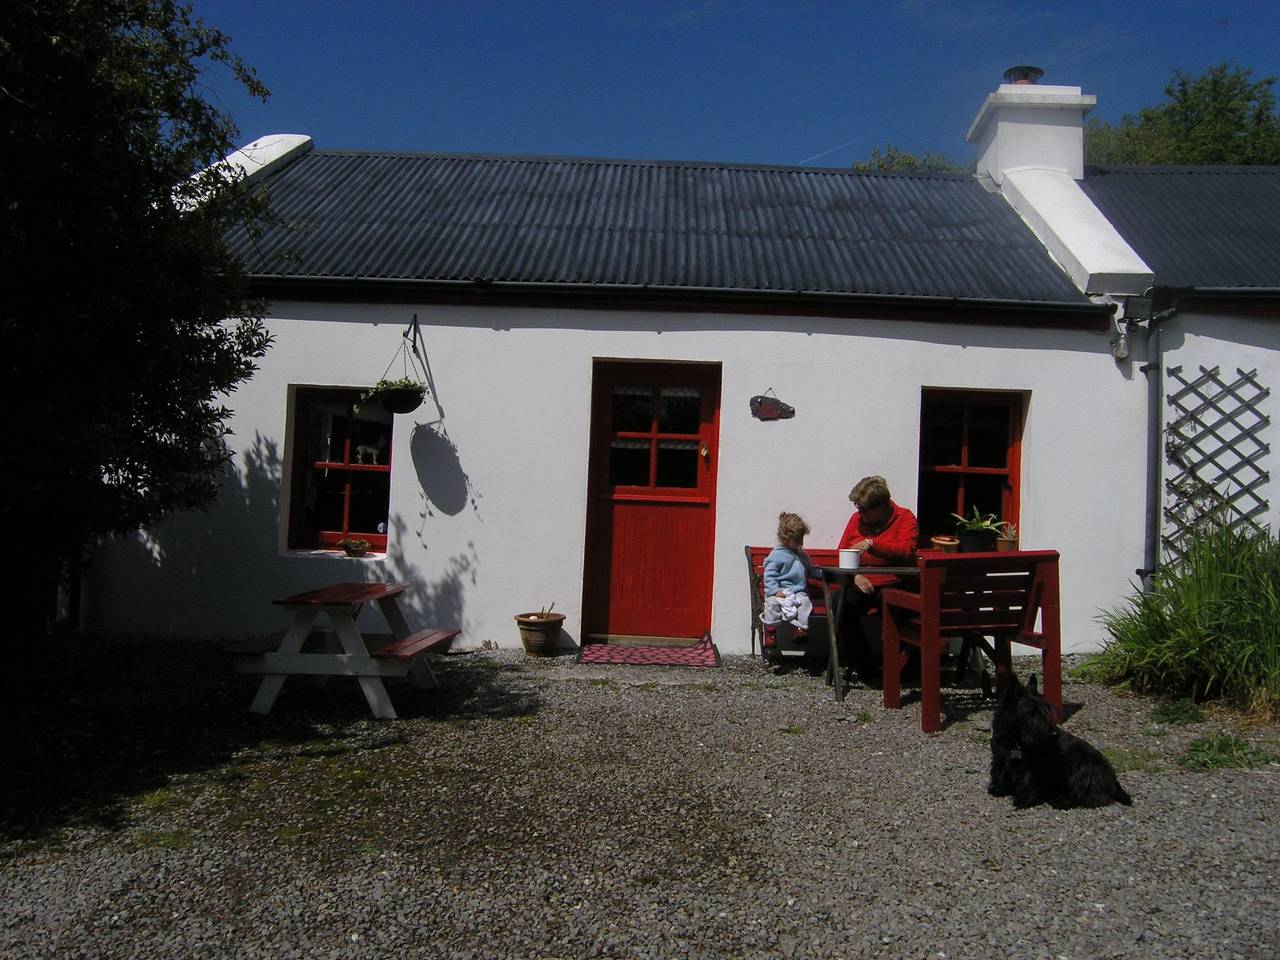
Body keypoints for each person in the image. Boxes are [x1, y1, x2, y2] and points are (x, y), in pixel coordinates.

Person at [836, 475, 919, 681]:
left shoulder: (905, 518)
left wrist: (873, 544)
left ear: (882, 505)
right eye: (859, 509)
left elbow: (907, 551)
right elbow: (842, 551)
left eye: (865, 510)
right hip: (863, 582)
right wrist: (855, 576)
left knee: (891, 604)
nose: (860, 515)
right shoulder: (856, 520)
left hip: (894, 582)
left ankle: (899, 668)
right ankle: (866, 669)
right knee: (841, 603)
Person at [760, 512, 818, 638]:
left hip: (797, 592)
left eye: (801, 538)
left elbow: (810, 568)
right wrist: (774, 591)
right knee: (772, 604)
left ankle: (801, 628)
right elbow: (769, 575)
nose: (801, 542)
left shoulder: (802, 555)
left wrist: (821, 573)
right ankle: (770, 632)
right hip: (780, 591)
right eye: (797, 540)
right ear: (785, 539)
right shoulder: (777, 555)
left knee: (805, 602)